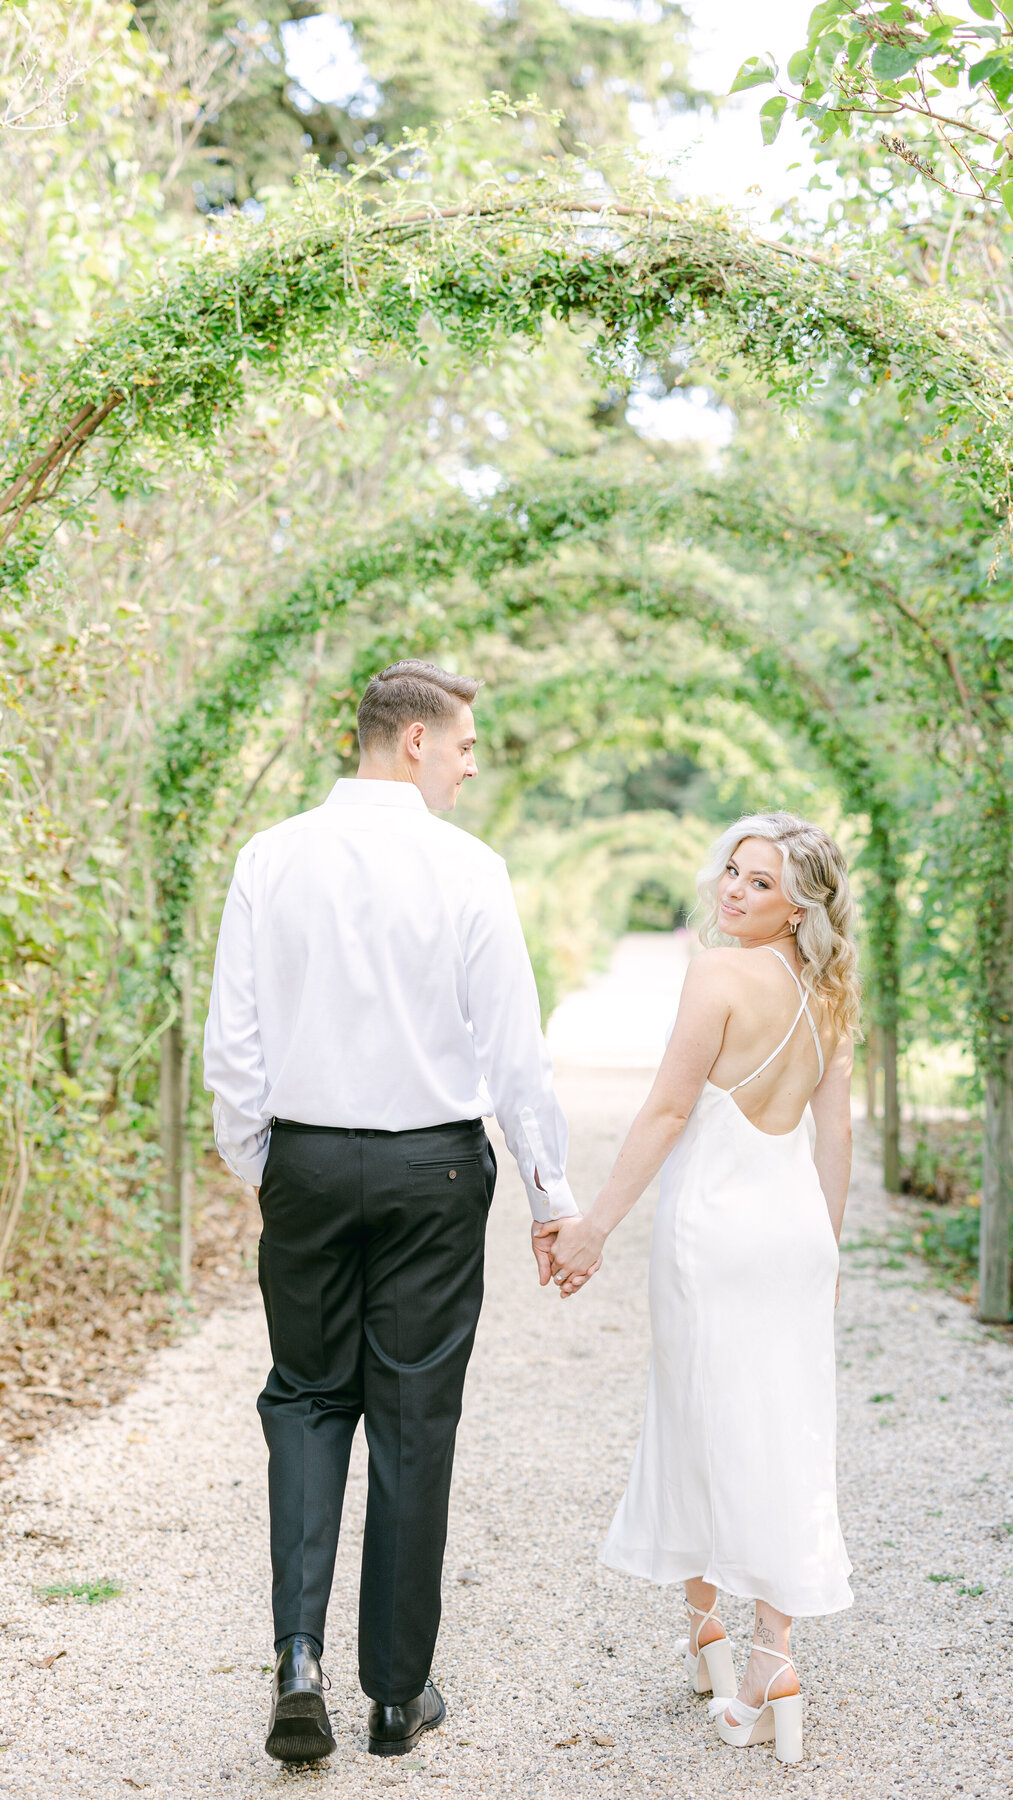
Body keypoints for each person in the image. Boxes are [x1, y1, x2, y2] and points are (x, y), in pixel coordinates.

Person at [203, 660, 578, 1764]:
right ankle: (394, 1699)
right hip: (434, 1175)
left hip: (307, 1167)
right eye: (464, 744)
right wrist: (551, 1194)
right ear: (412, 741)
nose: (471, 764)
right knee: (414, 1424)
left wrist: (259, 1162)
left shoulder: (270, 858)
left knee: (309, 1399)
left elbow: (237, 1039)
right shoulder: (467, 868)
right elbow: (513, 1049)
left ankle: (299, 1660)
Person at [538, 813, 857, 1766]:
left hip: (711, 1233)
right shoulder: (836, 991)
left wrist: (591, 1227)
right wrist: (828, 1252)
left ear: (802, 903)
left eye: (760, 884)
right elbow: (834, 1138)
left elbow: (672, 1108)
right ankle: (771, 1657)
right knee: (787, 1425)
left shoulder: (717, 974)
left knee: (700, 1419)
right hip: (795, 1233)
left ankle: (713, 1634)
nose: (733, 891)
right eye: (732, 872)